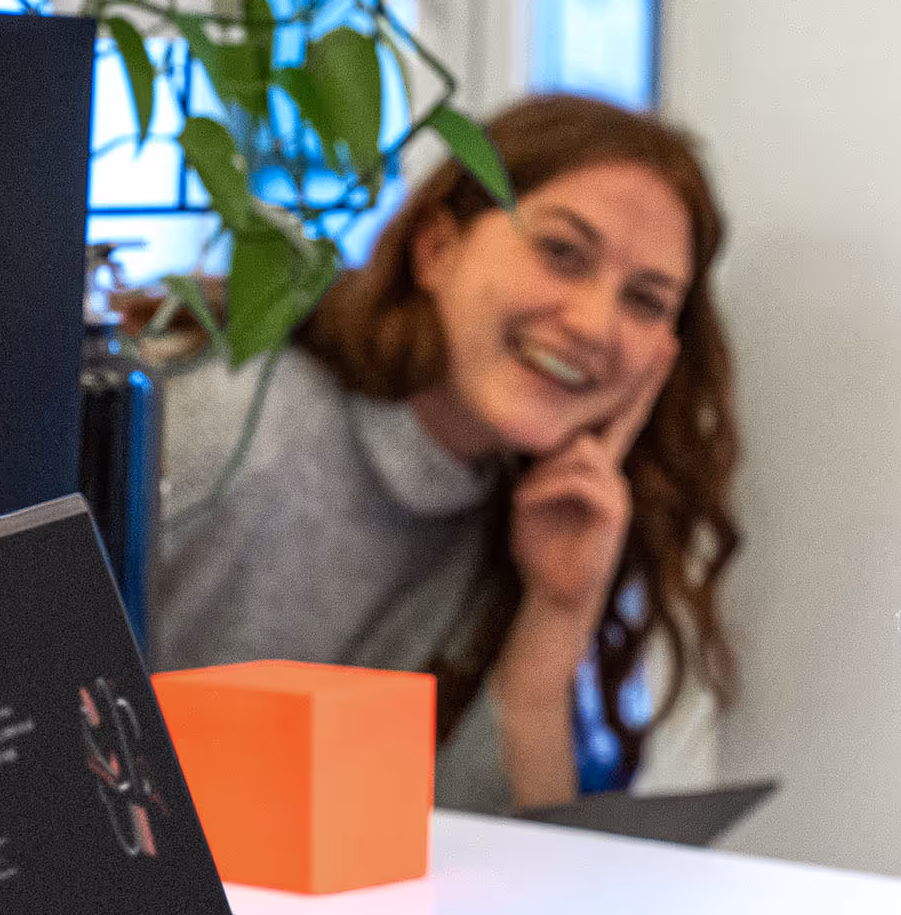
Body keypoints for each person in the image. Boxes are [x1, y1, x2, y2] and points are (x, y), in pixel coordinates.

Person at [153, 94, 739, 812]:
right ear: (436, 248)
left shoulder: (522, 502)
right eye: (561, 253)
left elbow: (491, 860)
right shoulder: (238, 424)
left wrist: (555, 619)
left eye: (646, 302)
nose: (593, 323)